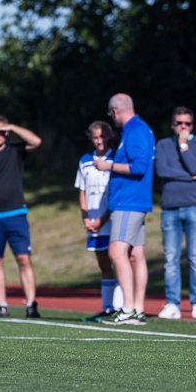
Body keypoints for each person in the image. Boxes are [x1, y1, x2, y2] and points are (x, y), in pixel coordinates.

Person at [0, 115, 43, 318]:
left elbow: (36, 142)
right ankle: (1, 304)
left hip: (16, 214)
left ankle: (31, 304)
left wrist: (12, 126)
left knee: (23, 258)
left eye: (2, 132)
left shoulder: (15, 150)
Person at [93, 93, 155, 325]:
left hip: (129, 201)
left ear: (116, 111)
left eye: (112, 113)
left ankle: (128, 308)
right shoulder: (137, 129)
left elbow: (139, 166)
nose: (112, 118)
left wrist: (108, 165)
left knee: (117, 251)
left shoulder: (136, 130)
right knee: (135, 254)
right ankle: (137, 309)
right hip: (134, 200)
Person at [155, 106, 196, 320]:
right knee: (170, 258)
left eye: (187, 123)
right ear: (172, 125)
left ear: (192, 125)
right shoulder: (162, 145)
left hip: (195, 207)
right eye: (179, 123)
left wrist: (184, 146)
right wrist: (191, 176)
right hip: (170, 208)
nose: (183, 127)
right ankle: (172, 303)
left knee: (195, 257)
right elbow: (162, 171)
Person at [75, 121, 122, 321]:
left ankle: (121, 307)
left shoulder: (116, 159)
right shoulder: (85, 160)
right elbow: (82, 191)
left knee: (118, 261)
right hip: (93, 223)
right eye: (95, 137)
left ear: (109, 136)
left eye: (102, 136)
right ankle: (108, 307)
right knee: (103, 264)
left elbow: (116, 194)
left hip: (111, 220)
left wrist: (102, 220)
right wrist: (86, 217)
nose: (99, 141)